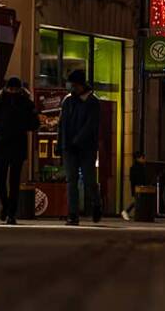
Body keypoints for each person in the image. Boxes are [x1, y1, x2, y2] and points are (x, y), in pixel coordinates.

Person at [0, 76, 40, 225]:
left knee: (13, 181)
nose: (13, 91)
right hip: (5, 145)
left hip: (14, 145)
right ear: (7, 88)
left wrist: (21, 126)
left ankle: (11, 212)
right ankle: (6, 206)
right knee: (1, 181)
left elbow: (35, 123)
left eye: (15, 89)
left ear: (19, 89)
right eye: (11, 89)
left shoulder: (25, 104)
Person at [59, 68, 102, 226]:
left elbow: (91, 125)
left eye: (75, 85)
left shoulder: (92, 101)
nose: (72, 88)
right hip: (69, 148)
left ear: (81, 84)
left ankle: (96, 204)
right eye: (71, 85)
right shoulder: (68, 101)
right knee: (71, 180)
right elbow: (61, 125)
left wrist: (77, 140)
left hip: (86, 148)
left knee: (89, 179)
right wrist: (61, 144)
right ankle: (73, 214)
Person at [120, 151, 148, 221]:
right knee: (138, 201)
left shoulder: (137, 167)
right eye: (142, 158)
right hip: (138, 187)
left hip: (138, 187)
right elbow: (135, 179)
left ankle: (129, 212)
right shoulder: (137, 167)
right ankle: (127, 211)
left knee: (139, 201)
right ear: (138, 158)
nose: (144, 159)